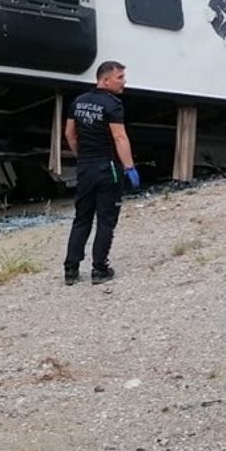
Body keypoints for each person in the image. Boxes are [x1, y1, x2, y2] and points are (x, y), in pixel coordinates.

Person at [63, 60, 140, 286]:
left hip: (85, 168)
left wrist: (82, 156)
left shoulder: (78, 102)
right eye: (120, 78)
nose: (124, 82)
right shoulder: (113, 104)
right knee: (106, 220)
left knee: (82, 218)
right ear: (105, 79)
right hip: (108, 169)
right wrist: (130, 168)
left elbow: (69, 134)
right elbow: (119, 137)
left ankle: (71, 269)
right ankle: (99, 269)